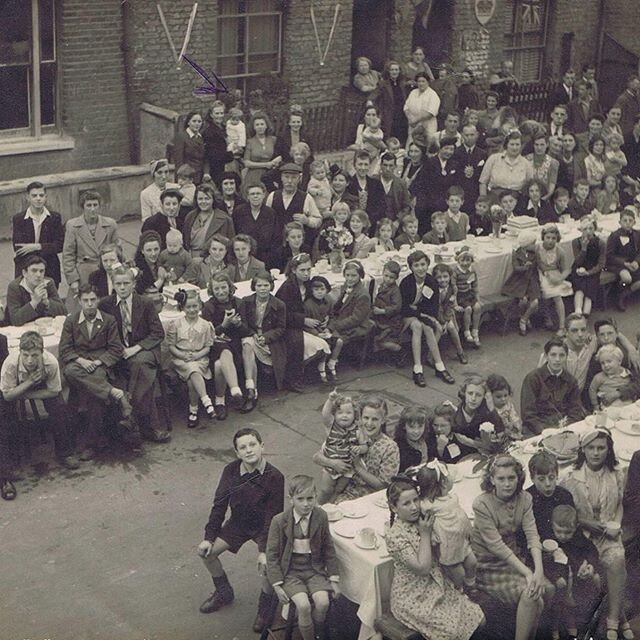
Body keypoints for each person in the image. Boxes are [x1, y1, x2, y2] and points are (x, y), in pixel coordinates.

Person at [197, 428, 285, 634]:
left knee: (268, 566)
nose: (248, 450)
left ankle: (265, 609)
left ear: (262, 446)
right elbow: (219, 505)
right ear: (237, 453)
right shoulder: (230, 471)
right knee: (206, 554)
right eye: (242, 447)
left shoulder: (275, 477)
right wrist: (208, 538)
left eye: (252, 444)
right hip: (238, 523)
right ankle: (224, 592)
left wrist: (264, 551)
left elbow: (273, 516)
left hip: (264, 526)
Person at [385, 476, 484, 640]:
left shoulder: (424, 517)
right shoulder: (395, 535)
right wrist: (425, 534)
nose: (414, 507)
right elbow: (422, 568)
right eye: (406, 503)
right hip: (412, 596)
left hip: (437, 585)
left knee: (479, 619)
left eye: (416, 500)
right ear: (394, 508)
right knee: (451, 633)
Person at [560, 428, 633, 640]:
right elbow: (567, 513)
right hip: (583, 537)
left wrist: (616, 523)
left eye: (601, 448)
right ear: (583, 450)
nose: (596, 453)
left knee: (617, 559)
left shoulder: (617, 474)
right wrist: (586, 522)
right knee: (595, 574)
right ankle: (621, 617)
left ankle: (612, 619)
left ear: (608, 449)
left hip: (608, 532)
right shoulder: (570, 478)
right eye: (591, 448)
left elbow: (619, 503)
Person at [472, 454, 551, 640]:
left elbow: (532, 534)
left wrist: (538, 571)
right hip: (487, 565)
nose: (507, 484)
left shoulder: (525, 499)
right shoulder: (481, 504)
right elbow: (496, 546)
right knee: (532, 595)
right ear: (492, 479)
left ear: (518, 478)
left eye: (511, 478)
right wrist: (528, 573)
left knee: (541, 592)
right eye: (501, 479)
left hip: (513, 560)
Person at [98, 265, 170, 443]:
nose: (122, 287)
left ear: (133, 284)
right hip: (118, 351)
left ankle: (130, 414)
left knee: (139, 365)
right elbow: (103, 333)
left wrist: (135, 349)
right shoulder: (105, 304)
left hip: (143, 349)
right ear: (113, 284)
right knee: (128, 371)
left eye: (126, 283)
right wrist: (117, 349)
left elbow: (158, 333)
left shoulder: (144, 303)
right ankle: (147, 426)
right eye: (118, 283)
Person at [58, 284, 130, 459]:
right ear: (79, 301)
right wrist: (81, 361)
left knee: (94, 397)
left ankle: (92, 444)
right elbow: (64, 349)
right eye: (85, 300)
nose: (89, 304)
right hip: (78, 365)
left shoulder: (108, 320)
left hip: (99, 367)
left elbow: (115, 349)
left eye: (93, 300)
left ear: (98, 300)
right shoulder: (71, 320)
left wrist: (98, 362)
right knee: (71, 370)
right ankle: (115, 393)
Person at [266, 474, 339, 640]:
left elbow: (329, 548)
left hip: (314, 569)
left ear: (315, 497)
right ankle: (309, 636)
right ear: (290, 499)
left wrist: (334, 579)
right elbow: (272, 556)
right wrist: (277, 586)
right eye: (300, 499)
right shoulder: (279, 521)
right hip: (291, 572)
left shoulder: (321, 516)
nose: (306, 504)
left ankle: (317, 632)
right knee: (304, 605)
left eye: (310, 498)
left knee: (323, 602)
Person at [0, 331, 79, 471]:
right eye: (25, 355)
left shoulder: (50, 362)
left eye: (34, 355)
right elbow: (7, 395)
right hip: (17, 387)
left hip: (38, 388)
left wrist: (27, 394)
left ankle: (65, 453)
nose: (30, 360)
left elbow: (54, 391)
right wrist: (29, 382)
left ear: (41, 353)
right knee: (5, 414)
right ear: (20, 353)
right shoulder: (10, 364)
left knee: (59, 408)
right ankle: (12, 460)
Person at [316, 394, 398, 503]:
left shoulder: (389, 447)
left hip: (371, 499)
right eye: (366, 418)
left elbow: (383, 486)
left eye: (375, 419)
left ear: (383, 420)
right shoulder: (350, 432)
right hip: (344, 495)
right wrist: (332, 463)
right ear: (360, 417)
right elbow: (317, 457)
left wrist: (358, 467)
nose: (369, 423)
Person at [415, 460, 477, 591]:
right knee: (458, 573)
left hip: (460, 539)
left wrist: (469, 530)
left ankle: (471, 583)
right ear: (443, 484)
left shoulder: (451, 498)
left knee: (472, 562)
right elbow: (421, 520)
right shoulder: (427, 504)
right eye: (449, 477)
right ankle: (460, 591)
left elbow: (461, 515)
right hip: (448, 544)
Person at [275, 253, 330, 393]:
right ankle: (292, 379)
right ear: (294, 270)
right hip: (286, 324)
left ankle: (311, 370)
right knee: (296, 341)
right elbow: (282, 313)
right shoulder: (288, 287)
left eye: (308, 270)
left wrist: (324, 317)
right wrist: (303, 320)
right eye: (302, 270)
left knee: (323, 339)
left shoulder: (308, 284)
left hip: (303, 322)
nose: (306, 274)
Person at [400, 250, 455, 386]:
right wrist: (420, 314)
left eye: (423, 264)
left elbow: (432, 306)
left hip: (421, 313)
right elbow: (404, 308)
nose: (420, 268)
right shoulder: (406, 283)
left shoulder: (431, 281)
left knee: (429, 329)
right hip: (407, 316)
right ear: (411, 268)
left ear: (428, 264)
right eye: (416, 265)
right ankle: (417, 369)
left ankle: (439, 366)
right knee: (417, 326)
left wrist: (424, 315)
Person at [201, 273, 254, 412]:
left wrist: (238, 324)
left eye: (223, 287)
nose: (221, 292)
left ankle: (222, 400)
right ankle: (235, 389)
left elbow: (246, 331)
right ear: (212, 290)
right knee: (223, 352)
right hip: (217, 344)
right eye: (216, 289)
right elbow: (208, 334)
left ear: (229, 287)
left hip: (235, 342)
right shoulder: (208, 307)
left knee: (220, 364)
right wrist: (224, 324)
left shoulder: (238, 303)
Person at [551, 505, 603, 635]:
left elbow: (591, 551)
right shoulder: (551, 543)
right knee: (561, 603)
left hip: (578, 577)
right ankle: (559, 628)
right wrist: (556, 577)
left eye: (568, 532)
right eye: (559, 532)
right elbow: (547, 563)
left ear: (575, 528)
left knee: (593, 582)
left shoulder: (578, 537)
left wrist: (590, 565)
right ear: (552, 526)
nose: (563, 536)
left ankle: (585, 620)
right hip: (561, 579)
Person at [166, 289, 215, 425]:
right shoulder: (176, 324)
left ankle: (193, 409)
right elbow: (171, 346)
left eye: (195, 306)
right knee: (192, 369)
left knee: (192, 376)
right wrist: (182, 355)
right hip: (181, 360)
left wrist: (197, 355)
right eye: (188, 307)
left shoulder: (205, 325)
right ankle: (206, 401)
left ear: (200, 306)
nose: (192, 310)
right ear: (182, 308)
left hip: (200, 359)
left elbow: (208, 346)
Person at [520, 336, 586, 435]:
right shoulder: (533, 378)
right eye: (553, 355)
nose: (557, 359)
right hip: (537, 430)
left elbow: (575, 410)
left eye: (562, 355)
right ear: (546, 356)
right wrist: (544, 431)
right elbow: (528, 414)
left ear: (566, 357)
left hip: (563, 428)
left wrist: (566, 428)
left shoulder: (571, 381)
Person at [239, 270, 287, 399]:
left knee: (250, 348)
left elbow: (281, 328)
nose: (262, 289)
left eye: (266, 285)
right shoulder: (246, 302)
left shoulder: (279, 304)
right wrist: (253, 334)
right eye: (259, 285)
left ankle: (252, 390)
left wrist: (266, 337)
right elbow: (243, 324)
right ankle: (251, 386)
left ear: (271, 286)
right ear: (254, 286)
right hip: (251, 336)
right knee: (247, 344)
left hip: (270, 340)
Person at [314, 391, 367, 504]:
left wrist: (360, 449)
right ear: (335, 414)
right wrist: (330, 400)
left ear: (354, 415)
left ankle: (331, 506)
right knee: (325, 490)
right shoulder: (331, 427)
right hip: (330, 467)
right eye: (340, 412)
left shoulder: (357, 431)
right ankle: (318, 507)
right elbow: (325, 415)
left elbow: (364, 446)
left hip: (347, 468)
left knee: (338, 491)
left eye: (348, 413)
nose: (344, 415)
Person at [63, 190, 119, 296]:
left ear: (99, 206)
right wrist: (73, 280)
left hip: (106, 270)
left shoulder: (110, 224)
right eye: (89, 205)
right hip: (84, 273)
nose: (92, 209)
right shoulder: (72, 226)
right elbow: (68, 255)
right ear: (82, 207)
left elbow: (118, 250)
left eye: (95, 205)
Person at [326, 260, 373, 379]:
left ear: (360, 276)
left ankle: (332, 362)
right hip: (345, 319)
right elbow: (339, 307)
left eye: (354, 276)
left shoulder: (363, 295)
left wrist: (336, 325)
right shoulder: (345, 287)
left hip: (357, 326)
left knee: (335, 337)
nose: (350, 279)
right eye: (347, 275)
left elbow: (356, 319)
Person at [12, 181, 65, 287]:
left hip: (50, 268)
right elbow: (19, 247)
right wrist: (46, 247)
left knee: (50, 301)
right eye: (34, 195)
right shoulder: (19, 219)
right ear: (28, 197)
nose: (38, 198)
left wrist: (37, 246)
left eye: (41, 195)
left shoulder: (54, 217)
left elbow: (59, 245)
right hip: (26, 268)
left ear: (46, 197)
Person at [265, 163, 322, 245]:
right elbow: (266, 218)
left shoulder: (306, 197)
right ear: (281, 178)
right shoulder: (273, 196)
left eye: (293, 178)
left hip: (297, 244)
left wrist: (307, 221)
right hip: (276, 244)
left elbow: (318, 220)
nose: (289, 181)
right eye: (286, 177)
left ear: (299, 179)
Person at [526, 450, 575, 542]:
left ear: (557, 475)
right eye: (541, 479)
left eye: (551, 478)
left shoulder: (565, 496)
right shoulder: (526, 499)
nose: (548, 484)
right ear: (532, 478)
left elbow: (572, 527)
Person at [6, 254, 66, 326]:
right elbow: (15, 320)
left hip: (44, 327)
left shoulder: (48, 283)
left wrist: (47, 302)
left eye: (41, 271)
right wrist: (34, 302)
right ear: (24, 273)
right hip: (21, 329)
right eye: (34, 271)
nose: (38, 275)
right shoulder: (15, 287)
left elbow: (64, 312)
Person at [453, 375, 505, 457]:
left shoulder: (486, 413)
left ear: (484, 397)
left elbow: (500, 430)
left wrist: (491, 407)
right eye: (470, 393)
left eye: (478, 395)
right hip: (459, 453)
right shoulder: (455, 413)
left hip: (481, 454)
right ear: (464, 393)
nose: (473, 398)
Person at [501, 229, 540, 336]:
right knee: (522, 300)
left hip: (531, 280)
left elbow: (538, 265)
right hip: (519, 280)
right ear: (526, 245)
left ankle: (524, 318)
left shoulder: (535, 253)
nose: (534, 245)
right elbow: (516, 268)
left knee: (535, 302)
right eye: (533, 243)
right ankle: (524, 319)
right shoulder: (517, 253)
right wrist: (524, 267)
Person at [536, 224, 572, 334]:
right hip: (541, 274)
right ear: (543, 237)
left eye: (553, 238)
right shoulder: (537, 249)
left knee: (557, 296)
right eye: (548, 238)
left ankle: (562, 326)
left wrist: (560, 278)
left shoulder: (559, 252)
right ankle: (547, 317)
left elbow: (566, 269)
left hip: (555, 276)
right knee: (544, 292)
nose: (550, 241)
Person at [232, 183, 278, 267]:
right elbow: (234, 233)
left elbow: (275, 237)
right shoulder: (239, 212)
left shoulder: (270, 213)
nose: (255, 196)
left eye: (258, 193)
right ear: (248, 196)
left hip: (266, 257)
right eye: (252, 194)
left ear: (263, 195)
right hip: (244, 256)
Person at [183, 184, 235, 258]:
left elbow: (230, 244)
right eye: (200, 199)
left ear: (213, 200)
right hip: (191, 259)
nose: (203, 202)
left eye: (207, 198)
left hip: (213, 259)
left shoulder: (225, 219)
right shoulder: (190, 217)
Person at [569, 215, 605, 317]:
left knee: (590, 290)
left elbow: (601, 264)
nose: (588, 232)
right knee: (579, 289)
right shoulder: (575, 242)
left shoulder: (600, 243)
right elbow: (578, 262)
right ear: (581, 230)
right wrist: (584, 249)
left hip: (593, 270)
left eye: (591, 228)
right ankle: (578, 311)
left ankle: (585, 315)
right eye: (585, 229)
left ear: (595, 229)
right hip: (579, 268)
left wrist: (589, 272)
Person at [479, 131, 534, 198]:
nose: (514, 148)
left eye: (517, 144)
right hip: (495, 199)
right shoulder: (494, 159)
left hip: (516, 200)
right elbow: (483, 182)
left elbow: (531, 185)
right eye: (512, 144)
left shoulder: (526, 163)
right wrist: (484, 199)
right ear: (506, 145)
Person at [605, 206, 640, 311]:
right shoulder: (614, 236)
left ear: (634, 222)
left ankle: (625, 293)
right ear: (620, 222)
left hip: (632, 262)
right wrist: (624, 263)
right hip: (617, 264)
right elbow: (609, 256)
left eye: (630, 220)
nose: (628, 223)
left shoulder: (637, 234)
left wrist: (637, 261)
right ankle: (618, 294)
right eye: (625, 220)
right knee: (626, 278)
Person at [433, 263, 467, 364]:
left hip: (447, 313)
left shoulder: (453, 288)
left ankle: (460, 351)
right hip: (434, 314)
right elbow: (436, 307)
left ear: (450, 276)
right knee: (439, 330)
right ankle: (430, 355)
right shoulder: (434, 290)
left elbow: (449, 305)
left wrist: (446, 321)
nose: (443, 280)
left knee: (452, 327)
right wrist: (442, 322)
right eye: (439, 277)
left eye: (445, 276)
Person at [589, 344, 640, 409]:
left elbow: (635, 386)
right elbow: (592, 390)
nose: (606, 365)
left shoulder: (628, 373)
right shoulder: (599, 377)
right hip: (609, 406)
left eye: (609, 361)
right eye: (602, 363)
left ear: (619, 361)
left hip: (628, 405)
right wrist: (595, 405)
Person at [345, 151, 386, 229]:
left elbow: (382, 205)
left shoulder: (376, 184)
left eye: (366, 164)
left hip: (372, 224)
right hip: (353, 225)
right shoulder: (349, 184)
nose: (363, 168)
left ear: (370, 166)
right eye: (360, 164)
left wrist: (370, 220)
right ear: (354, 165)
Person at [452, 124, 487, 211]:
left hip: (475, 192)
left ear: (477, 135)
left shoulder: (482, 153)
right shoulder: (455, 153)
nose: (469, 137)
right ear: (462, 135)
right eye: (467, 135)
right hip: (460, 192)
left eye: (472, 135)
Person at [372, 260, 403, 353]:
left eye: (391, 277)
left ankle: (399, 350)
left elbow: (396, 307)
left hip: (390, 320)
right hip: (380, 317)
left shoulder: (395, 291)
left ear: (396, 278)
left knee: (380, 339)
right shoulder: (382, 285)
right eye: (386, 276)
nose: (388, 279)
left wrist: (382, 311)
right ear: (382, 273)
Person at [243, 111, 281, 187]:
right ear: (253, 127)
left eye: (262, 124)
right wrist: (265, 164)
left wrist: (275, 161)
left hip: (270, 174)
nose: (260, 127)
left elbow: (281, 155)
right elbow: (246, 163)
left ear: (266, 125)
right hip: (254, 175)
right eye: (257, 125)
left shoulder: (273, 140)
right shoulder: (250, 142)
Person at [453, 246, 481, 348]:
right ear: (458, 260)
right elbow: (453, 288)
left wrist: (477, 297)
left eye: (468, 260)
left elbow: (475, 285)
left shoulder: (472, 271)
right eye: (462, 260)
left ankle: (475, 330)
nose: (465, 263)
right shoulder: (456, 272)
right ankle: (466, 331)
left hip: (469, 294)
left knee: (477, 307)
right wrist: (455, 304)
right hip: (460, 296)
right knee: (468, 309)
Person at [403, 72, 440, 146]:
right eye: (419, 81)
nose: (421, 84)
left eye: (423, 81)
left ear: (428, 82)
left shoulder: (433, 95)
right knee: (412, 145)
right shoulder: (413, 92)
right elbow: (406, 107)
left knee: (427, 146)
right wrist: (410, 119)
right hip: (413, 126)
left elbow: (431, 113)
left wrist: (416, 120)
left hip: (428, 126)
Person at [376, 60, 409, 145]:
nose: (394, 72)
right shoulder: (383, 84)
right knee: (390, 136)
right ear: (388, 71)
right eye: (392, 70)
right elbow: (375, 95)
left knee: (402, 136)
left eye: (396, 70)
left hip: (402, 114)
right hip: (390, 114)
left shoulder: (403, 83)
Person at [201, 101, 232, 186]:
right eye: (217, 113)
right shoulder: (209, 132)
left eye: (221, 113)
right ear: (211, 115)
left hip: (224, 165)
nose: (220, 116)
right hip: (215, 168)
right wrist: (230, 153)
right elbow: (212, 154)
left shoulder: (224, 128)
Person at [378, 153, 412, 229]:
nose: (387, 169)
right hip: (376, 222)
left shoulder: (401, 183)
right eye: (385, 165)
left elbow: (407, 206)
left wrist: (398, 221)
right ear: (380, 165)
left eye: (390, 165)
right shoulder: (374, 181)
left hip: (394, 224)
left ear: (395, 166)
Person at [394, 404, 430, 472]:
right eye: (411, 427)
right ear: (404, 426)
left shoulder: (423, 442)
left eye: (420, 427)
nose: (416, 431)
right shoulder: (398, 445)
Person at [487, 374, 522, 441]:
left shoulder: (508, 406)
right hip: (495, 434)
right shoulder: (490, 409)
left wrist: (515, 424)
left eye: (505, 395)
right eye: (498, 397)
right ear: (490, 396)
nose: (503, 399)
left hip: (508, 432)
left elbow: (514, 417)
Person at [173, 110, 205, 183]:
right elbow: (179, 160)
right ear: (188, 122)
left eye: (199, 122)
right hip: (187, 177)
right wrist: (181, 179)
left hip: (200, 176)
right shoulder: (181, 137)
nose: (197, 124)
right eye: (194, 121)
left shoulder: (201, 137)